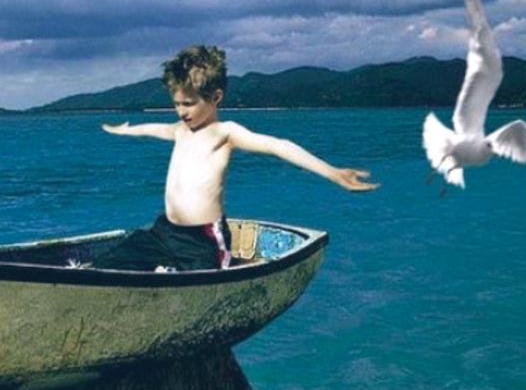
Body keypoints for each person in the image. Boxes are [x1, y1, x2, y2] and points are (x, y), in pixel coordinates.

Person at [94, 45, 378, 272]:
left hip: (203, 239)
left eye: (189, 104)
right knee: (108, 262)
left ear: (216, 97)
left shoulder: (225, 133)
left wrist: (332, 173)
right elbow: (154, 128)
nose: (181, 111)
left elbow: (278, 146)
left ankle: (207, 269)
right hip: (165, 232)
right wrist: (126, 130)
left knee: (201, 282)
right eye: (177, 103)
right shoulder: (180, 130)